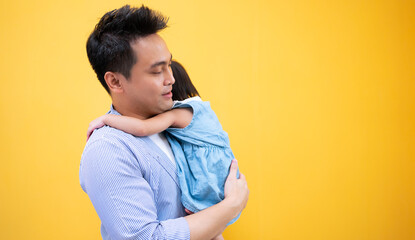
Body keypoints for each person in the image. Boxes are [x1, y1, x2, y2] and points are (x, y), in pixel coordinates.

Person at [79, 4, 249, 240]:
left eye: (168, 65)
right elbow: (145, 237)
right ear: (115, 82)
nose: (170, 79)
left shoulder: (172, 128)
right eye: (157, 71)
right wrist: (232, 205)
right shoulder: (108, 149)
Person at [86, 60, 240, 225]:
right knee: (213, 231)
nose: (168, 82)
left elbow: (143, 128)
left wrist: (107, 118)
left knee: (208, 228)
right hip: (224, 175)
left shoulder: (180, 113)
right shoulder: (203, 110)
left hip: (209, 180)